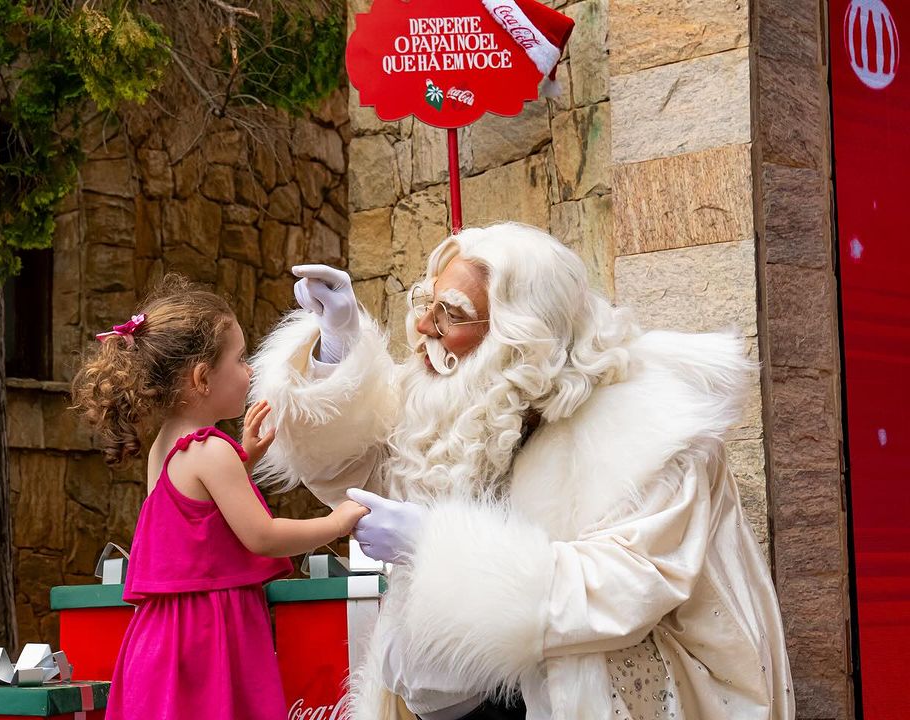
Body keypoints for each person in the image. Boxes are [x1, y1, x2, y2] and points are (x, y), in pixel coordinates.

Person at [250, 223, 794, 720]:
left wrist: (440, 547)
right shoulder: (453, 398)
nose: (422, 328)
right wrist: (338, 345)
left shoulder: (648, 433)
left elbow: (634, 584)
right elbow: (358, 469)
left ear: (520, 335)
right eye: (426, 303)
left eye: (451, 314)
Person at [71, 274, 369, 720]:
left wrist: (243, 458)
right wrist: (339, 520)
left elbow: (196, 519)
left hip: (166, 640)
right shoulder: (210, 450)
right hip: (210, 638)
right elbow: (262, 536)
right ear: (202, 378)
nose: (250, 371)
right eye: (241, 359)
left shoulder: (167, 447)